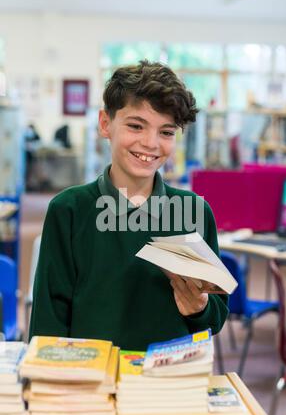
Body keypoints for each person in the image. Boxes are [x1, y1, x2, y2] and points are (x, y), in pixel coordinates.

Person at [29, 60, 228, 350]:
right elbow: (47, 322)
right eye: (136, 126)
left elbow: (214, 320)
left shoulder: (194, 211)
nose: (150, 143)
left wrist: (198, 308)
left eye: (166, 132)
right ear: (105, 124)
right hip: (91, 380)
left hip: (167, 380)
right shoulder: (69, 209)